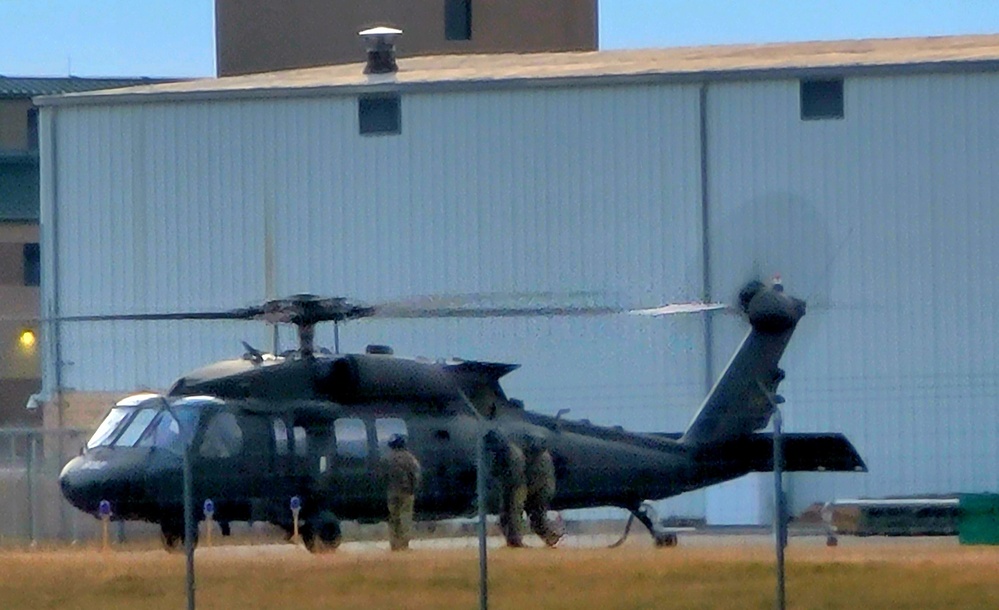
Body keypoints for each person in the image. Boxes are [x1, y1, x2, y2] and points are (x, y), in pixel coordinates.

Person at [486, 431, 527, 547]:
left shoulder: (511, 453)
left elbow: (514, 474)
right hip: (509, 486)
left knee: (514, 513)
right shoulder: (503, 452)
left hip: (516, 486)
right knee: (505, 513)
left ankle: (516, 541)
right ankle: (511, 540)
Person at [523, 434, 562, 547]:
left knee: (537, 517)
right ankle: (550, 537)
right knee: (537, 517)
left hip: (541, 491)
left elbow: (536, 478)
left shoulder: (539, 459)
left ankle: (550, 537)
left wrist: (527, 492)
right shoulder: (545, 457)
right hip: (546, 490)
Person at [384, 434, 421, 551]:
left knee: (393, 519)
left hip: (391, 492)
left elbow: (382, 476)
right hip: (406, 492)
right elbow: (416, 475)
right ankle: (404, 545)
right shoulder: (409, 458)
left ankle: (394, 545)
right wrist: (414, 488)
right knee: (405, 517)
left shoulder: (386, 459)